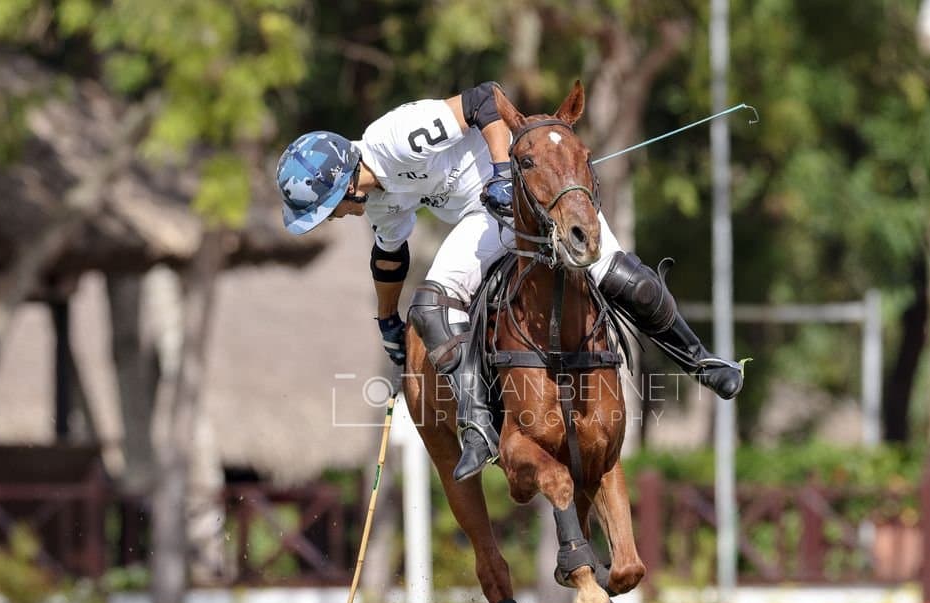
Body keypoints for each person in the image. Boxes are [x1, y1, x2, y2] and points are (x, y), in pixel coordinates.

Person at [276, 82, 744, 482]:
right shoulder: (379, 203)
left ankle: (700, 360)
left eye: (329, 207)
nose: (334, 216)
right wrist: (386, 323)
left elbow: (483, 99)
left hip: (529, 185)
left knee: (626, 280)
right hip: (484, 220)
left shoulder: (394, 139)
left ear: (340, 183)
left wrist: (503, 172)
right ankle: (479, 425)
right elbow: (389, 258)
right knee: (430, 307)